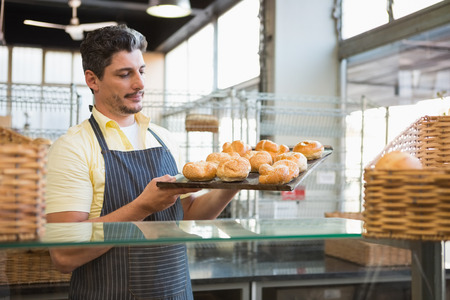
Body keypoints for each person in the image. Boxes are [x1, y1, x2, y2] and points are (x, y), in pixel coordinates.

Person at [45, 24, 239, 300]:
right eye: (125, 74)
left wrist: (236, 182)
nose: (140, 84)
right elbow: (64, 255)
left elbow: (189, 217)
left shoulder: (164, 138)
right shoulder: (73, 148)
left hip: (176, 293)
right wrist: (142, 207)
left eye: (141, 71)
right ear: (93, 80)